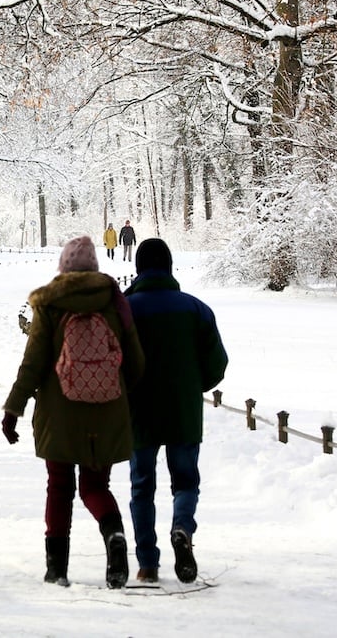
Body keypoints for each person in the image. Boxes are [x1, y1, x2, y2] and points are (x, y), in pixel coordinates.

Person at [1, 235, 145, 589]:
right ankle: (113, 535)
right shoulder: (115, 302)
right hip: (107, 410)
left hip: (59, 411)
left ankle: (57, 570)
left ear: (63, 267)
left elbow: (33, 362)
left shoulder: (49, 303)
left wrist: (13, 408)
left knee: (60, 487)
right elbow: (137, 364)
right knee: (96, 485)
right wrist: (120, 393)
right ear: (95, 267)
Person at [123, 238, 228, 585]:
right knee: (185, 480)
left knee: (142, 487)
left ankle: (147, 563)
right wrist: (191, 385)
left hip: (138, 410)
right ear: (169, 267)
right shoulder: (195, 309)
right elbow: (217, 364)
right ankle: (182, 527)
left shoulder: (124, 310)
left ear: (138, 269)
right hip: (183, 410)